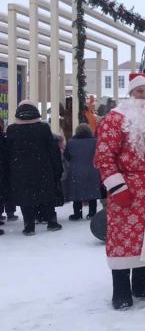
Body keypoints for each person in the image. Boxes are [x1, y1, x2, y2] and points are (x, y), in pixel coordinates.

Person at [94, 73, 145, 309]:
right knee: (123, 238)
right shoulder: (116, 118)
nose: (144, 96)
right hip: (128, 186)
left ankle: (143, 283)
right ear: (130, 93)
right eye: (139, 91)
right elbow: (104, 155)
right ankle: (121, 290)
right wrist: (117, 186)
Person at [5, 100, 64, 235]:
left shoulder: (12, 130)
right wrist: (57, 168)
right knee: (46, 195)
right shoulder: (43, 128)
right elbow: (52, 150)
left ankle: (29, 226)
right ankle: (51, 222)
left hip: (20, 171)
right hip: (43, 168)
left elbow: (8, 152)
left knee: (26, 198)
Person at [63, 123, 102, 220]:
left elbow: (66, 156)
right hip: (92, 170)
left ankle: (77, 214)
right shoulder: (95, 141)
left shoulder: (71, 142)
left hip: (76, 170)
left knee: (77, 192)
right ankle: (92, 213)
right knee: (92, 192)